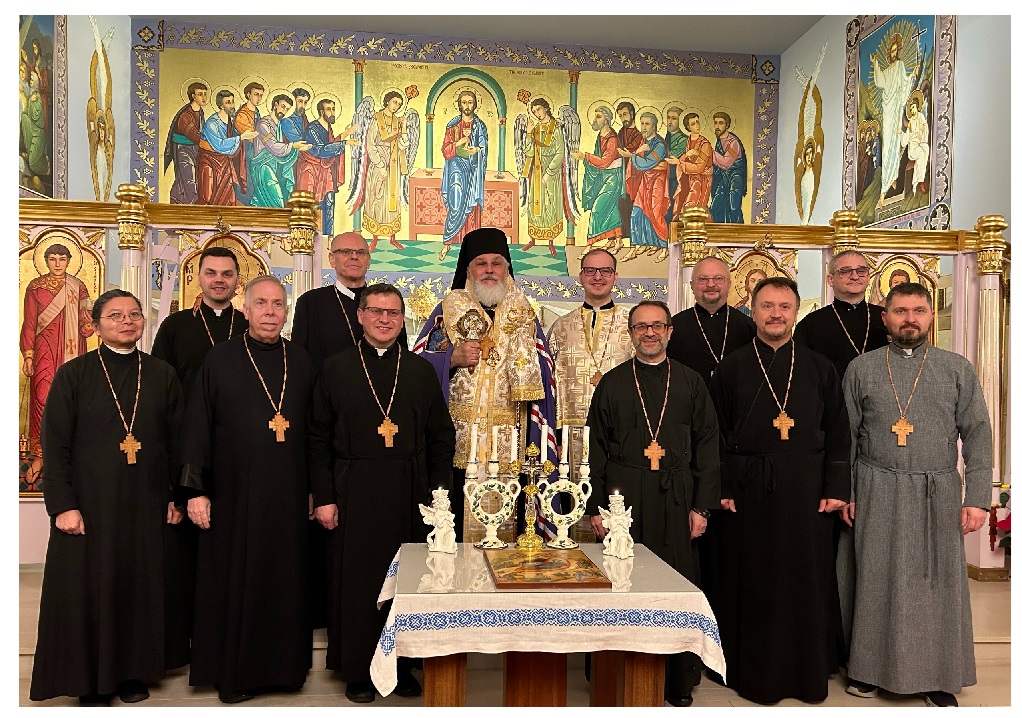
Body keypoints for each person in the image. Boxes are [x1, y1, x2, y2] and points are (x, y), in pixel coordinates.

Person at [29, 290, 184, 706]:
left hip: (146, 502)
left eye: (134, 314)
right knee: (90, 590)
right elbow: (55, 444)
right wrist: (62, 505)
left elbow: (176, 443)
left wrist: (176, 496)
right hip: (90, 504)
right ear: (96, 325)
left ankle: (133, 673)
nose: (127, 321)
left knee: (138, 587)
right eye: (115, 315)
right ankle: (90, 681)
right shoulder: (73, 374)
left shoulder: (161, 373)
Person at [842, 282, 992, 708]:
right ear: (885, 317)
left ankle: (938, 675)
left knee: (935, 584)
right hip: (875, 486)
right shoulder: (862, 368)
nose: (910, 319)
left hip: (937, 490)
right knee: (874, 580)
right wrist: (847, 492)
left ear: (930, 316)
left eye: (919, 311)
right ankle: (867, 670)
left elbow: (978, 434)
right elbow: (845, 438)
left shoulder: (956, 368)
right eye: (901, 311)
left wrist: (977, 497)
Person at [309, 283, 455, 703]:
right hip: (351, 489)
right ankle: (357, 670)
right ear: (361, 316)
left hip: (410, 490)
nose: (384, 320)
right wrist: (325, 497)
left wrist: (439, 497)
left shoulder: (419, 371)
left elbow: (441, 437)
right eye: (376, 311)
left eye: (393, 313)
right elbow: (316, 437)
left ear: (402, 319)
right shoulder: (335, 368)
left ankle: (402, 666)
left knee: (407, 583)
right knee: (357, 583)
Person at [708, 276, 850, 704]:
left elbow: (838, 431)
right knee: (753, 580)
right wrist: (722, 486)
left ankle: (807, 671)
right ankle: (752, 672)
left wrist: (836, 486)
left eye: (784, 306)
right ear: (752, 311)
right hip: (747, 487)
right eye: (767, 306)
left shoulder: (820, 367)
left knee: (804, 580)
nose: (776, 314)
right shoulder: (731, 367)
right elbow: (714, 433)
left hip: (807, 489)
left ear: (796, 312)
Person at [180, 275, 315, 703]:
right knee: (234, 581)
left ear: (286, 311)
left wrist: (315, 489)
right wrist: (195, 491)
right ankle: (234, 676)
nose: (270, 312)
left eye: (277, 305)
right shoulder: (219, 359)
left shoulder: (302, 361)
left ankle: (284, 672)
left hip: (289, 492)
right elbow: (197, 426)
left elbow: (315, 433)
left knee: (283, 580)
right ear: (246, 308)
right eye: (261, 304)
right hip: (232, 494)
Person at [585, 300, 720, 707]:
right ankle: (614, 673)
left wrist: (702, 507)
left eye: (657, 326)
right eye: (641, 326)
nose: (649, 333)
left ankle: (677, 678)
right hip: (621, 497)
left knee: (674, 585)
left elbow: (707, 445)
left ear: (669, 332)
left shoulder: (691, 382)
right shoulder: (612, 383)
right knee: (620, 582)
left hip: (675, 496)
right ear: (630, 333)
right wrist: (596, 508)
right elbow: (596, 449)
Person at [413, 227, 556, 541]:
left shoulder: (524, 316)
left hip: (513, 447)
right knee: (453, 528)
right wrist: (451, 358)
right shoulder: (447, 312)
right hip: (458, 446)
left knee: (512, 531)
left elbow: (546, 373)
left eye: (496, 263)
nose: (489, 270)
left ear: (507, 270)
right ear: (468, 271)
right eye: (481, 263)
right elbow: (416, 368)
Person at [151, 245, 247, 669]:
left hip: (239, 449)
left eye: (227, 274)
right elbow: (160, 388)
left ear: (238, 280)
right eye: (211, 273)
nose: (219, 280)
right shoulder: (175, 327)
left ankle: (225, 632)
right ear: (199, 277)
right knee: (187, 545)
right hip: (186, 446)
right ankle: (184, 639)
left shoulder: (249, 324)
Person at [547, 248, 633, 512]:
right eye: (590, 271)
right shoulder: (561, 327)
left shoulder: (632, 324)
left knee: (618, 506)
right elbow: (549, 384)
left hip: (621, 431)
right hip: (570, 432)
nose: (598, 277)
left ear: (615, 277)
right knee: (573, 511)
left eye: (605, 271)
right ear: (581, 277)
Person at [20, 243, 95, 489]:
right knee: (43, 396)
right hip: (44, 350)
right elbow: (29, 323)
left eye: (62, 259)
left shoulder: (78, 286)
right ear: (46, 261)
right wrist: (28, 355)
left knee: (73, 397)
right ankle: (41, 454)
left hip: (72, 352)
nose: (57, 263)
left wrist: (89, 324)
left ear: (69, 261)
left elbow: (86, 323)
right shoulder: (35, 287)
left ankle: (71, 452)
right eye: (52, 259)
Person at [291, 231, 408, 371]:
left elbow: (402, 356)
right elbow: (299, 359)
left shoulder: (387, 303)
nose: (354, 257)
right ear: (332, 259)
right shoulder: (310, 302)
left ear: (368, 260)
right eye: (346, 252)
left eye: (361, 252)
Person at [795, 250, 888, 381]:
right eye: (845, 271)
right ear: (830, 280)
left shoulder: (886, 318)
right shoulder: (811, 323)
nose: (855, 276)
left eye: (861, 271)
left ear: (868, 277)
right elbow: (802, 371)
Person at [667, 255, 756, 386]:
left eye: (718, 278)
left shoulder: (748, 327)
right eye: (703, 279)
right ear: (692, 285)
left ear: (729, 284)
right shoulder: (674, 327)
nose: (711, 284)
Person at [353, 90, 409, 250]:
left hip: (393, 165)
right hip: (379, 164)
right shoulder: (376, 119)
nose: (396, 106)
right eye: (394, 102)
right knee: (376, 199)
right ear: (387, 101)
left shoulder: (398, 121)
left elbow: (404, 145)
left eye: (399, 104)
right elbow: (370, 144)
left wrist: (404, 127)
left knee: (393, 200)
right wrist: (380, 165)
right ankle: (375, 238)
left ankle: (392, 237)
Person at [439, 90, 488, 261]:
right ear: (459, 105)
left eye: (470, 102)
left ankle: (472, 247)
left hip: (473, 170)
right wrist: (458, 143)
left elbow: (483, 148)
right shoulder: (452, 126)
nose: (467, 105)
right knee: (456, 202)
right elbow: (445, 150)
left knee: (471, 207)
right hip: (455, 169)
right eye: (464, 102)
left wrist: (477, 150)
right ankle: (447, 242)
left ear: (475, 104)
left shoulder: (480, 126)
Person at [295, 98, 355, 237]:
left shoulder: (328, 127)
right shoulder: (312, 128)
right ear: (321, 111)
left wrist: (344, 134)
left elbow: (330, 144)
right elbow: (321, 150)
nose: (332, 112)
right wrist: (344, 143)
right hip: (310, 170)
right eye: (328, 109)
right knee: (312, 206)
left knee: (329, 202)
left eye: (333, 109)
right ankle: (310, 238)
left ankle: (328, 237)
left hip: (324, 170)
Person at [872, 33, 918, 202]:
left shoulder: (900, 66)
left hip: (896, 108)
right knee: (886, 147)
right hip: (887, 110)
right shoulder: (887, 70)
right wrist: (875, 64)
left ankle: (893, 177)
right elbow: (880, 82)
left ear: (898, 51)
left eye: (895, 50)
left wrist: (911, 76)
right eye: (891, 51)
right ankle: (886, 180)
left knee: (894, 143)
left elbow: (904, 83)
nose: (893, 53)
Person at [618, 112, 669, 262]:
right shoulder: (644, 142)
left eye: (647, 124)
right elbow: (640, 162)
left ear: (654, 126)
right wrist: (637, 153)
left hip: (657, 181)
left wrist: (632, 156)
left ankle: (664, 247)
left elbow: (646, 163)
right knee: (636, 213)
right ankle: (636, 246)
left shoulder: (659, 145)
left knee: (655, 213)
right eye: (642, 123)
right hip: (645, 180)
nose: (644, 127)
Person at [570, 105, 623, 246]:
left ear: (607, 119)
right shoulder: (600, 137)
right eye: (595, 116)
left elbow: (604, 162)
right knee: (611, 209)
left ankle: (590, 244)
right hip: (604, 177)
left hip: (613, 177)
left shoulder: (612, 139)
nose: (595, 120)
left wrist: (585, 156)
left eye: (598, 117)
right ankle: (617, 240)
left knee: (597, 210)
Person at [248, 94, 311, 208]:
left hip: (275, 167)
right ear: (275, 105)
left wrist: (296, 148)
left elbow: (283, 147)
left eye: (287, 109)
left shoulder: (279, 126)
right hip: (263, 167)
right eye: (283, 106)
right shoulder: (263, 124)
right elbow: (273, 146)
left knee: (269, 201)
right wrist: (293, 146)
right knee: (276, 202)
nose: (284, 111)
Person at [521, 97, 566, 257]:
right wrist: (528, 133)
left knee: (550, 204)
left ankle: (550, 242)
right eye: (534, 111)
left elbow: (560, 153)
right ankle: (533, 239)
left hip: (551, 173)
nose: (537, 113)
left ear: (546, 108)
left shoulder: (556, 128)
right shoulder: (536, 129)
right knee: (534, 204)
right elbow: (529, 152)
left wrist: (549, 173)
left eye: (539, 109)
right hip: (537, 171)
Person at [196, 89, 257, 206]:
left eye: (232, 101)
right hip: (210, 160)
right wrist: (241, 138)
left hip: (223, 160)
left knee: (228, 192)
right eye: (228, 102)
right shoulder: (212, 123)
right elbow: (220, 145)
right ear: (221, 106)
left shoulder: (230, 121)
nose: (232, 105)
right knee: (209, 194)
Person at [164, 81, 208, 204]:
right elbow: (194, 135)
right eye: (200, 94)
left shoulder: (200, 112)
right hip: (183, 149)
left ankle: (177, 199)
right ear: (193, 96)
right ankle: (192, 202)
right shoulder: (185, 115)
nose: (204, 97)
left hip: (195, 148)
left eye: (205, 94)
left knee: (189, 176)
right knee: (188, 175)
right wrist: (211, 143)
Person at [709, 111, 747, 223]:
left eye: (721, 123)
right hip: (723, 178)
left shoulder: (733, 142)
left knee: (734, 206)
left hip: (735, 177)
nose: (717, 126)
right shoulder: (718, 142)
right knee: (715, 207)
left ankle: (738, 231)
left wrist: (709, 152)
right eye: (715, 123)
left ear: (727, 125)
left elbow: (726, 163)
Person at [672, 112, 712, 216]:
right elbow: (686, 157)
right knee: (686, 208)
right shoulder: (688, 142)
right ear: (688, 127)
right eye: (693, 124)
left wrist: (680, 163)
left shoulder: (705, 144)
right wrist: (683, 158)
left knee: (693, 207)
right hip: (690, 179)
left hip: (701, 181)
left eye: (697, 122)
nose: (697, 125)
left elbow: (699, 168)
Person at [901, 91, 929, 195]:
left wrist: (923, 128)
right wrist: (904, 132)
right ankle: (920, 181)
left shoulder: (921, 117)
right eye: (911, 108)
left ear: (917, 107)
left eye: (913, 107)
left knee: (926, 148)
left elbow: (925, 129)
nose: (912, 110)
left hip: (920, 144)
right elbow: (905, 141)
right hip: (912, 149)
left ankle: (918, 180)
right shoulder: (911, 122)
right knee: (921, 152)